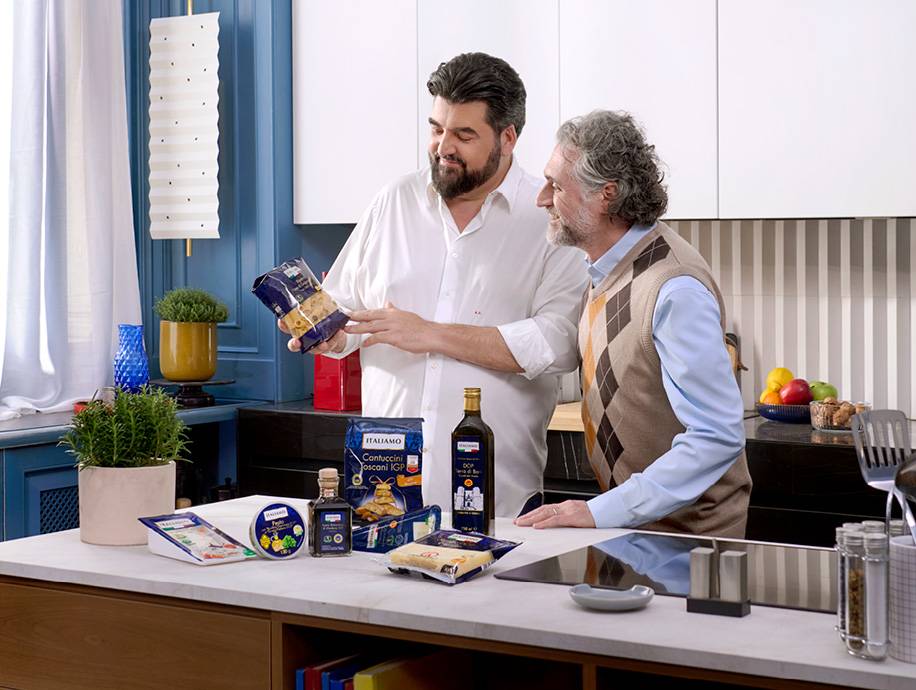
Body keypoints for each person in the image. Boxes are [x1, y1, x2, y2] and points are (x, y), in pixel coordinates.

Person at [281, 53, 589, 518]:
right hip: (384, 496)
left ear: (508, 138)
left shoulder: (548, 214)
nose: (444, 146)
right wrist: (328, 333)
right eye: (436, 129)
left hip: (498, 501)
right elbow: (345, 308)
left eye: (464, 135)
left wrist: (432, 333)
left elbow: (560, 342)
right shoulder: (393, 201)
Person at [516, 110, 751, 537]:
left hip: (691, 548)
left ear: (605, 194)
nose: (542, 199)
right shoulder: (603, 271)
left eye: (556, 186)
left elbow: (717, 435)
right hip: (640, 532)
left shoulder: (673, 288)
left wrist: (598, 512)